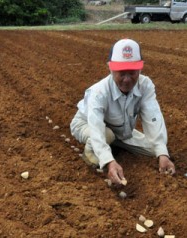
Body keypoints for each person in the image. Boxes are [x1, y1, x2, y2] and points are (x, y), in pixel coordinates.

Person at [70, 38, 175, 185]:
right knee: (106, 135)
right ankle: (92, 153)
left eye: (132, 73)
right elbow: (96, 128)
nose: (127, 80)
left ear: (140, 69)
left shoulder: (145, 86)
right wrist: (108, 162)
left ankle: (113, 143)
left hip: (121, 130)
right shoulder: (99, 92)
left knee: (155, 149)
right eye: (121, 73)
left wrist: (162, 154)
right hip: (86, 124)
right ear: (111, 69)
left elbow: (153, 117)